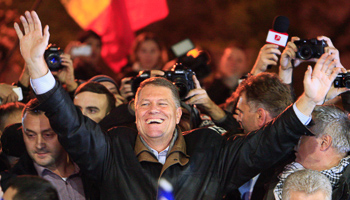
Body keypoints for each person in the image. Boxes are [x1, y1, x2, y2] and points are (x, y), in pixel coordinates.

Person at [14, 11, 340, 199]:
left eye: (162, 103)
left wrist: (309, 99)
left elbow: (266, 144)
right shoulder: (112, 148)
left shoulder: (212, 150)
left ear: (179, 113)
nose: (153, 108)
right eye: (144, 104)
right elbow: (70, 123)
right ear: (135, 113)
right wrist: (38, 69)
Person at [251, 105, 350, 200]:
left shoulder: (346, 187)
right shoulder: (280, 168)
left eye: (303, 134)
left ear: (324, 142)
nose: (296, 141)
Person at [0, 99, 90, 200]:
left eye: (48, 135)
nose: (39, 144)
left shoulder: (92, 170)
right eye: (30, 135)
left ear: (65, 132)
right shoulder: (8, 185)